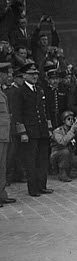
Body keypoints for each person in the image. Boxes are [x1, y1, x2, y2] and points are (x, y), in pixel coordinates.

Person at [11, 62, 54, 197]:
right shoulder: (20, 92)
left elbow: (45, 111)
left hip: (41, 130)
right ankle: (33, 188)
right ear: (24, 76)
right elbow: (17, 114)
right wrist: (22, 132)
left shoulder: (39, 90)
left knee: (42, 159)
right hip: (29, 131)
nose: (35, 76)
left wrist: (49, 128)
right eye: (31, 74)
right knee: (31, 160)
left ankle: (42, 185)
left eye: (36, 73)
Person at [50, 110, 77, 182]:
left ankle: (69, 169)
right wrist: (72, 131)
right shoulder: (58, 131)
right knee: (65, 152)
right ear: (63, 121)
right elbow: (62, 142)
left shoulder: (74, 130)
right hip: (57, 155)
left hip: (70, 155)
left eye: (72, 119)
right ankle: (62, 173)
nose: (71, 121)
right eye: (68, 119)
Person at [0, 62, 16, 206]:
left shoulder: (2, 92)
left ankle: (2, 194)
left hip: (4, 135)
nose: (8, 76)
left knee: (2, 166)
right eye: (6, 74)